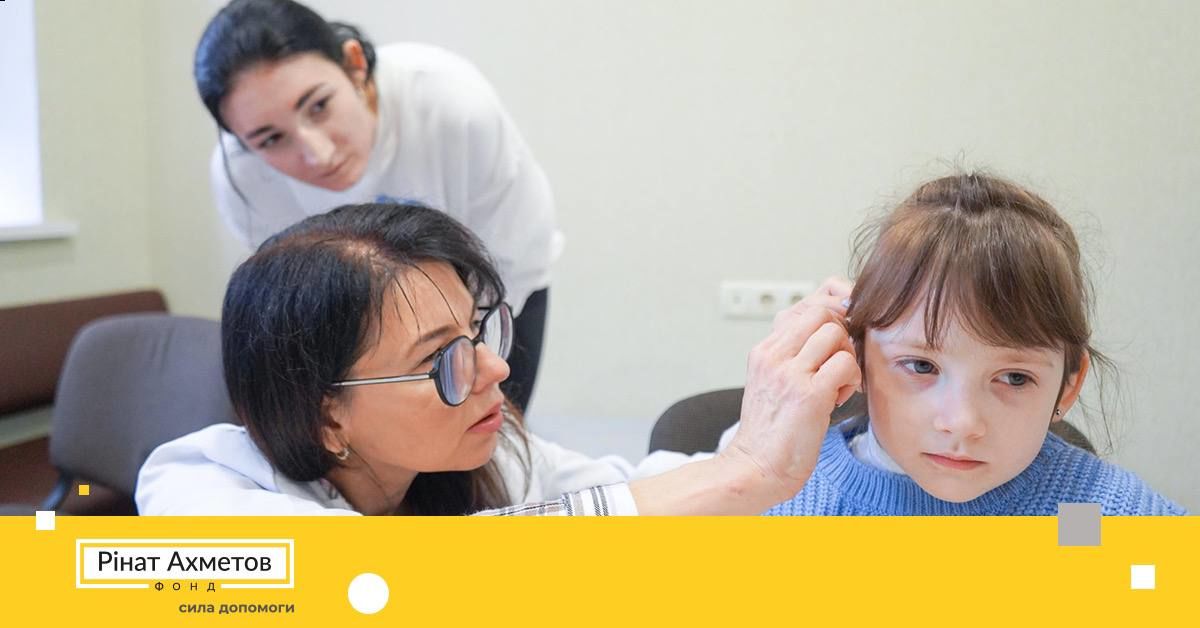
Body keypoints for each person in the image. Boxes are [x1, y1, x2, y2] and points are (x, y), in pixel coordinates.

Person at [135, 203, 862, 516]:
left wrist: (786, 400)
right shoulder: (197, 491)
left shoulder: (487, 457)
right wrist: (748, 471)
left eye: (479, 333)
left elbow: (630, 491)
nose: (495, 370)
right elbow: (380, 583)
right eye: (441, 359)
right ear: (328, 416)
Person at [194, 0, 556, 411]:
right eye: (271, 139)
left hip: (498, 292)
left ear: (354, 64)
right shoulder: (242, 176)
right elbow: (293, 305)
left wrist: (459, 354)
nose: (319, 154)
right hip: (357, 333)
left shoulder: (450, 104)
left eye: (319, 106)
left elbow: (505, 257)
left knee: (487, 435)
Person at [763, 173, 1186, 515]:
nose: (962, 422)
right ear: (856, 356)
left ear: (1069, 386)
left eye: (1015, 377)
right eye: (921, 366)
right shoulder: (787, 502)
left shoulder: (1078, 515)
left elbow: (1143, 573)